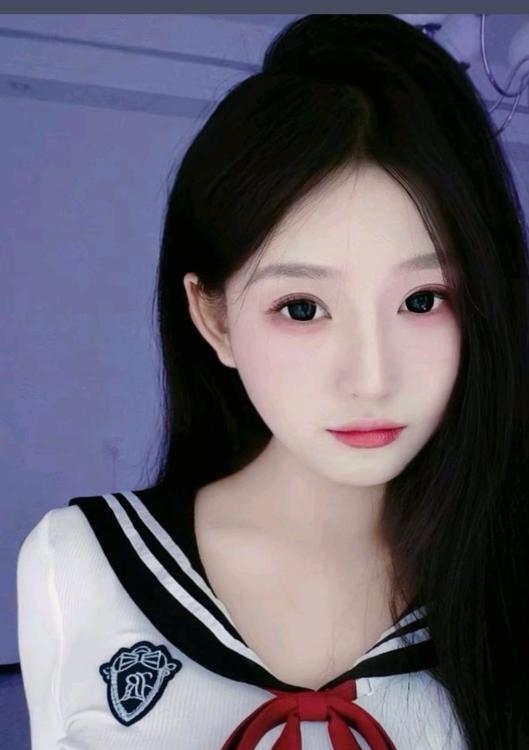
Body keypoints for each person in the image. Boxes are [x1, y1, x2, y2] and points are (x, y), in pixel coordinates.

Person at [16, 13, 529, 750]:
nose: (370, 377)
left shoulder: (507, 582)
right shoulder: (80, 568)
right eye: (302, 308)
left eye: (422, 300)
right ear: (214, 318)